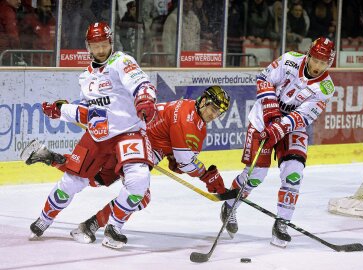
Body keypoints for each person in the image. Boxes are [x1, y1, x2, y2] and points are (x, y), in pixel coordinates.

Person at [22, 86, 230, 247]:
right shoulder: (189, 121)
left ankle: (52, 158)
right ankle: (95, 225)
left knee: (95, 177)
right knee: (140, 196)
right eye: (212, 108)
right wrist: (207, 176)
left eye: (218, 112)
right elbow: (185, 161)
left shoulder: (187, 107)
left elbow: (179, 155)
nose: (214, 114)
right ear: (203, 101)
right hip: (137, 146)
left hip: (126, 139)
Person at [27, 21, 158, 249]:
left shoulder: (121, 61)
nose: (100, 49)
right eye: (95, 45)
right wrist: (61, 111)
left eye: (103, 44)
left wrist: (144, 98)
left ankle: (114, 229)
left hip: (129, 132)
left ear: (110, 42)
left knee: (138, 181)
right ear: (88, 46)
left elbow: (140, 83)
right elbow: (90, 113)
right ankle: (44, 219)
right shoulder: (85, 77)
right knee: (70, 182)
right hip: (98, 135)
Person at [220, 37, 336, 248]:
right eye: (316, 60)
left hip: (293, 128)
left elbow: (303, 116)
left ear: (329, 63)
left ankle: (281, 224)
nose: (318, 66)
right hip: (263, 117)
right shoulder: (290, 60)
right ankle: (230, 205)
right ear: (309, 55)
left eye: (323, 62)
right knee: (256, 175)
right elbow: (264, 79)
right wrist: (272, 115)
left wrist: (280, 127)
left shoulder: (326, 87)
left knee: (294, 173)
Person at [19, 0, 56, 66]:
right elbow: (21, 41)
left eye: (49, 7)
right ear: (38, 6)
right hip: (34, 64)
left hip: (51, 64)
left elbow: (61, 41)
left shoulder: (53, 21)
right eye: (45, 6)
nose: (48, 9)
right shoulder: (29, 20)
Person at [0, 0, 21, 65]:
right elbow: (13, 35)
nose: (19, 1)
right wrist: (19, 52)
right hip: (5, 53)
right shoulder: (8, 11)